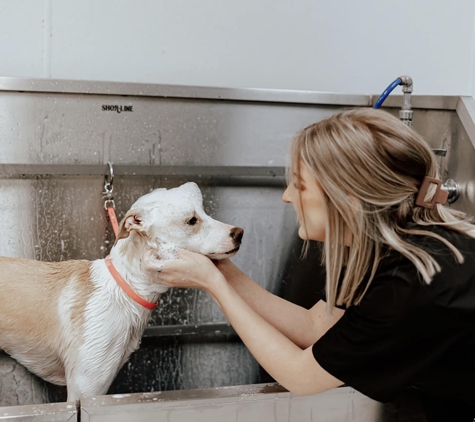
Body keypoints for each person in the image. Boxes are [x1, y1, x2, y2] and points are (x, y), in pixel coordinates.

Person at [143, 108, 475, 421]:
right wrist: (221, 270)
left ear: (346, 198)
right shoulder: (392, 248)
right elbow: (315, 326)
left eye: (299, 185)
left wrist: (211, 285)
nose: (287, 196)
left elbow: (301, 375)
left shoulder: (410, 284)